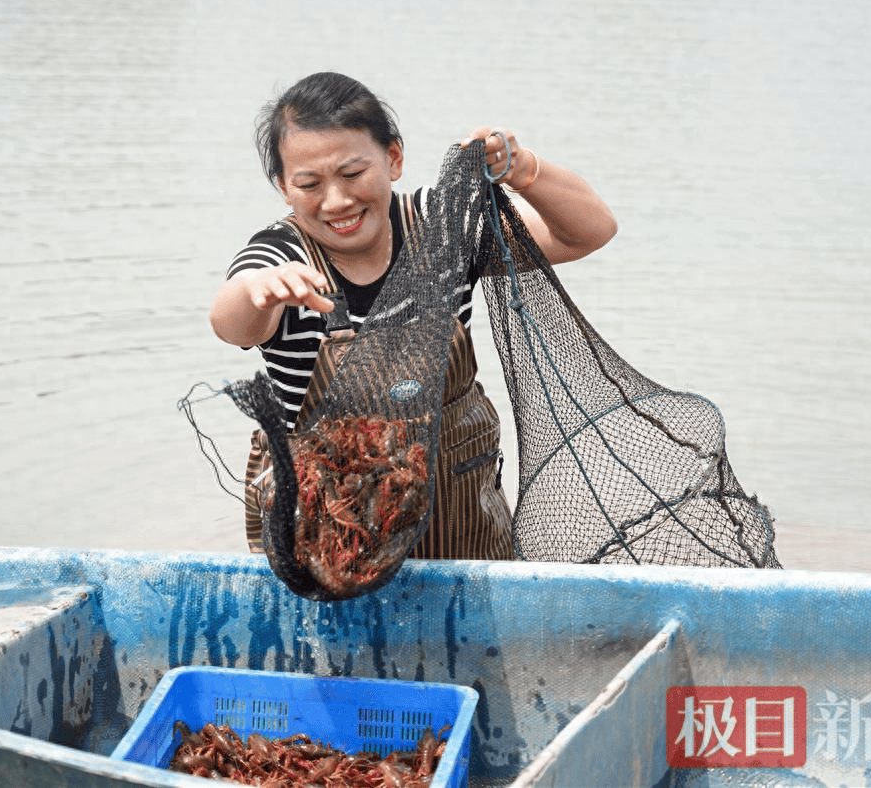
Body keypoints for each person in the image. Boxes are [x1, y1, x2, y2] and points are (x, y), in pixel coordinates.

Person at [210, 71, 616, 561]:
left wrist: (524, 170)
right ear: (283, 187)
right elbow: (231, 324)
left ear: (394, 159)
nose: (337, 201)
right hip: (333, 538)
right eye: (309, 184)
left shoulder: (442, 227)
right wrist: (257, 292)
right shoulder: (278, 256)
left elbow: (587, 232)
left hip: (462, 521)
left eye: (353, 174)